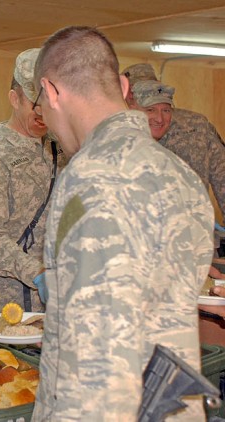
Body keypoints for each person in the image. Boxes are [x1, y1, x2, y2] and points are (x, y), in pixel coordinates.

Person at [32, 26, 214, 420]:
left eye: (41, 105)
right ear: (123, 84)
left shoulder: (89, 180)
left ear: (51, 92)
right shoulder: (181, 175)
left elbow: (97, 368)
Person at [0, 48, 67, 318]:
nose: (42, 112)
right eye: (34, 103)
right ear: (14, 99)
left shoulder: (59, 149)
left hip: (58, 305)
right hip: (8, 305)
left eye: (48, 103)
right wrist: (37, 273)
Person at [121, 63, 225, 219]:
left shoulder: (119, 135)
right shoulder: (198, 123)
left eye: (165, 110)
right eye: (150, 109)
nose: (159, 117)